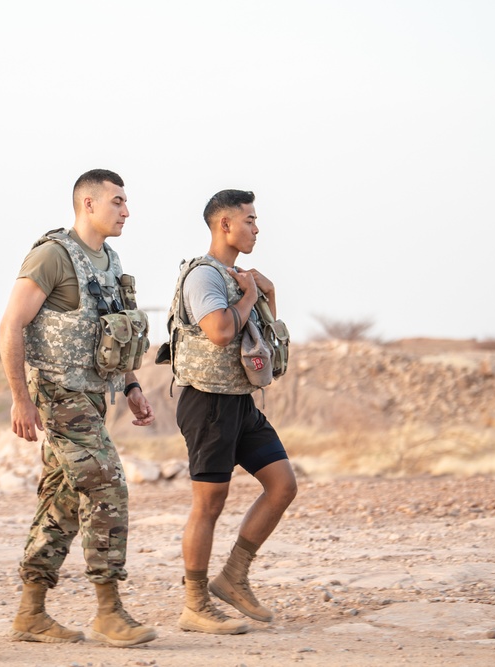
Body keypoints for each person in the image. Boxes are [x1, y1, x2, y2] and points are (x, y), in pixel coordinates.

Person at [0, 169, 158, 648]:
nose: (126, 211)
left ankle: (30, 613)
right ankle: (108, 610)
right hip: (59, 395)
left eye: (126, 202)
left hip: (93, 395)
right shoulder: (52, 256)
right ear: (87, 204)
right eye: (117, 202)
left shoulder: (109, 260)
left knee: (62, 501)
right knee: (107, 482)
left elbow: (114, 330)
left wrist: (131, 386)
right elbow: (11, 326)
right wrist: (21, 400)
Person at [167, 189, 297, 635]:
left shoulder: (239, 276)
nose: (257, 228)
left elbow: (267, 344)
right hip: (206, 402)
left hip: (239, 400)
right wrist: (245, 296)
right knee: (209, 504)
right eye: (250, 220)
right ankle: (194, 604)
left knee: (282, 484)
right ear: (225, 225)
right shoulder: (204, 278)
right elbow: (221, 331)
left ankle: (233, 577)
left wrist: (267, 293)